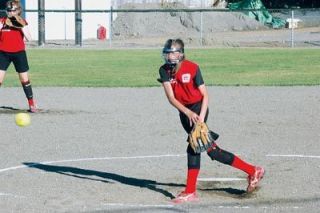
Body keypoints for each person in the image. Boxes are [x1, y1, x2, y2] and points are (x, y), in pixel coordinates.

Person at [158, 38, 265, 204]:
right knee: (212, 151)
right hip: (184, 112)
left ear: (180, 54)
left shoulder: (192, 68)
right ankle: (253, 170)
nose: (168, 56)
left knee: (193, 148)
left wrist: (200, 117)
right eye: (167, 53)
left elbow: (205, 95)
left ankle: (190, 191)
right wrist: (186, 112)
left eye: (171, 53)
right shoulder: (164, 70)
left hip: (198, 108)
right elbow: (171, 98)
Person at [0, 0, 37, 112]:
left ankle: (32, 104)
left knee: (24, 79)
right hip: (3, 53)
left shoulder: (22, 21)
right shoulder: (2, 21)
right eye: (9, 10)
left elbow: (29, 38)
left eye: (13, 10)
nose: (11, 12)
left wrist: (20, 25)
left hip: (19, 53)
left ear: (18, 10)